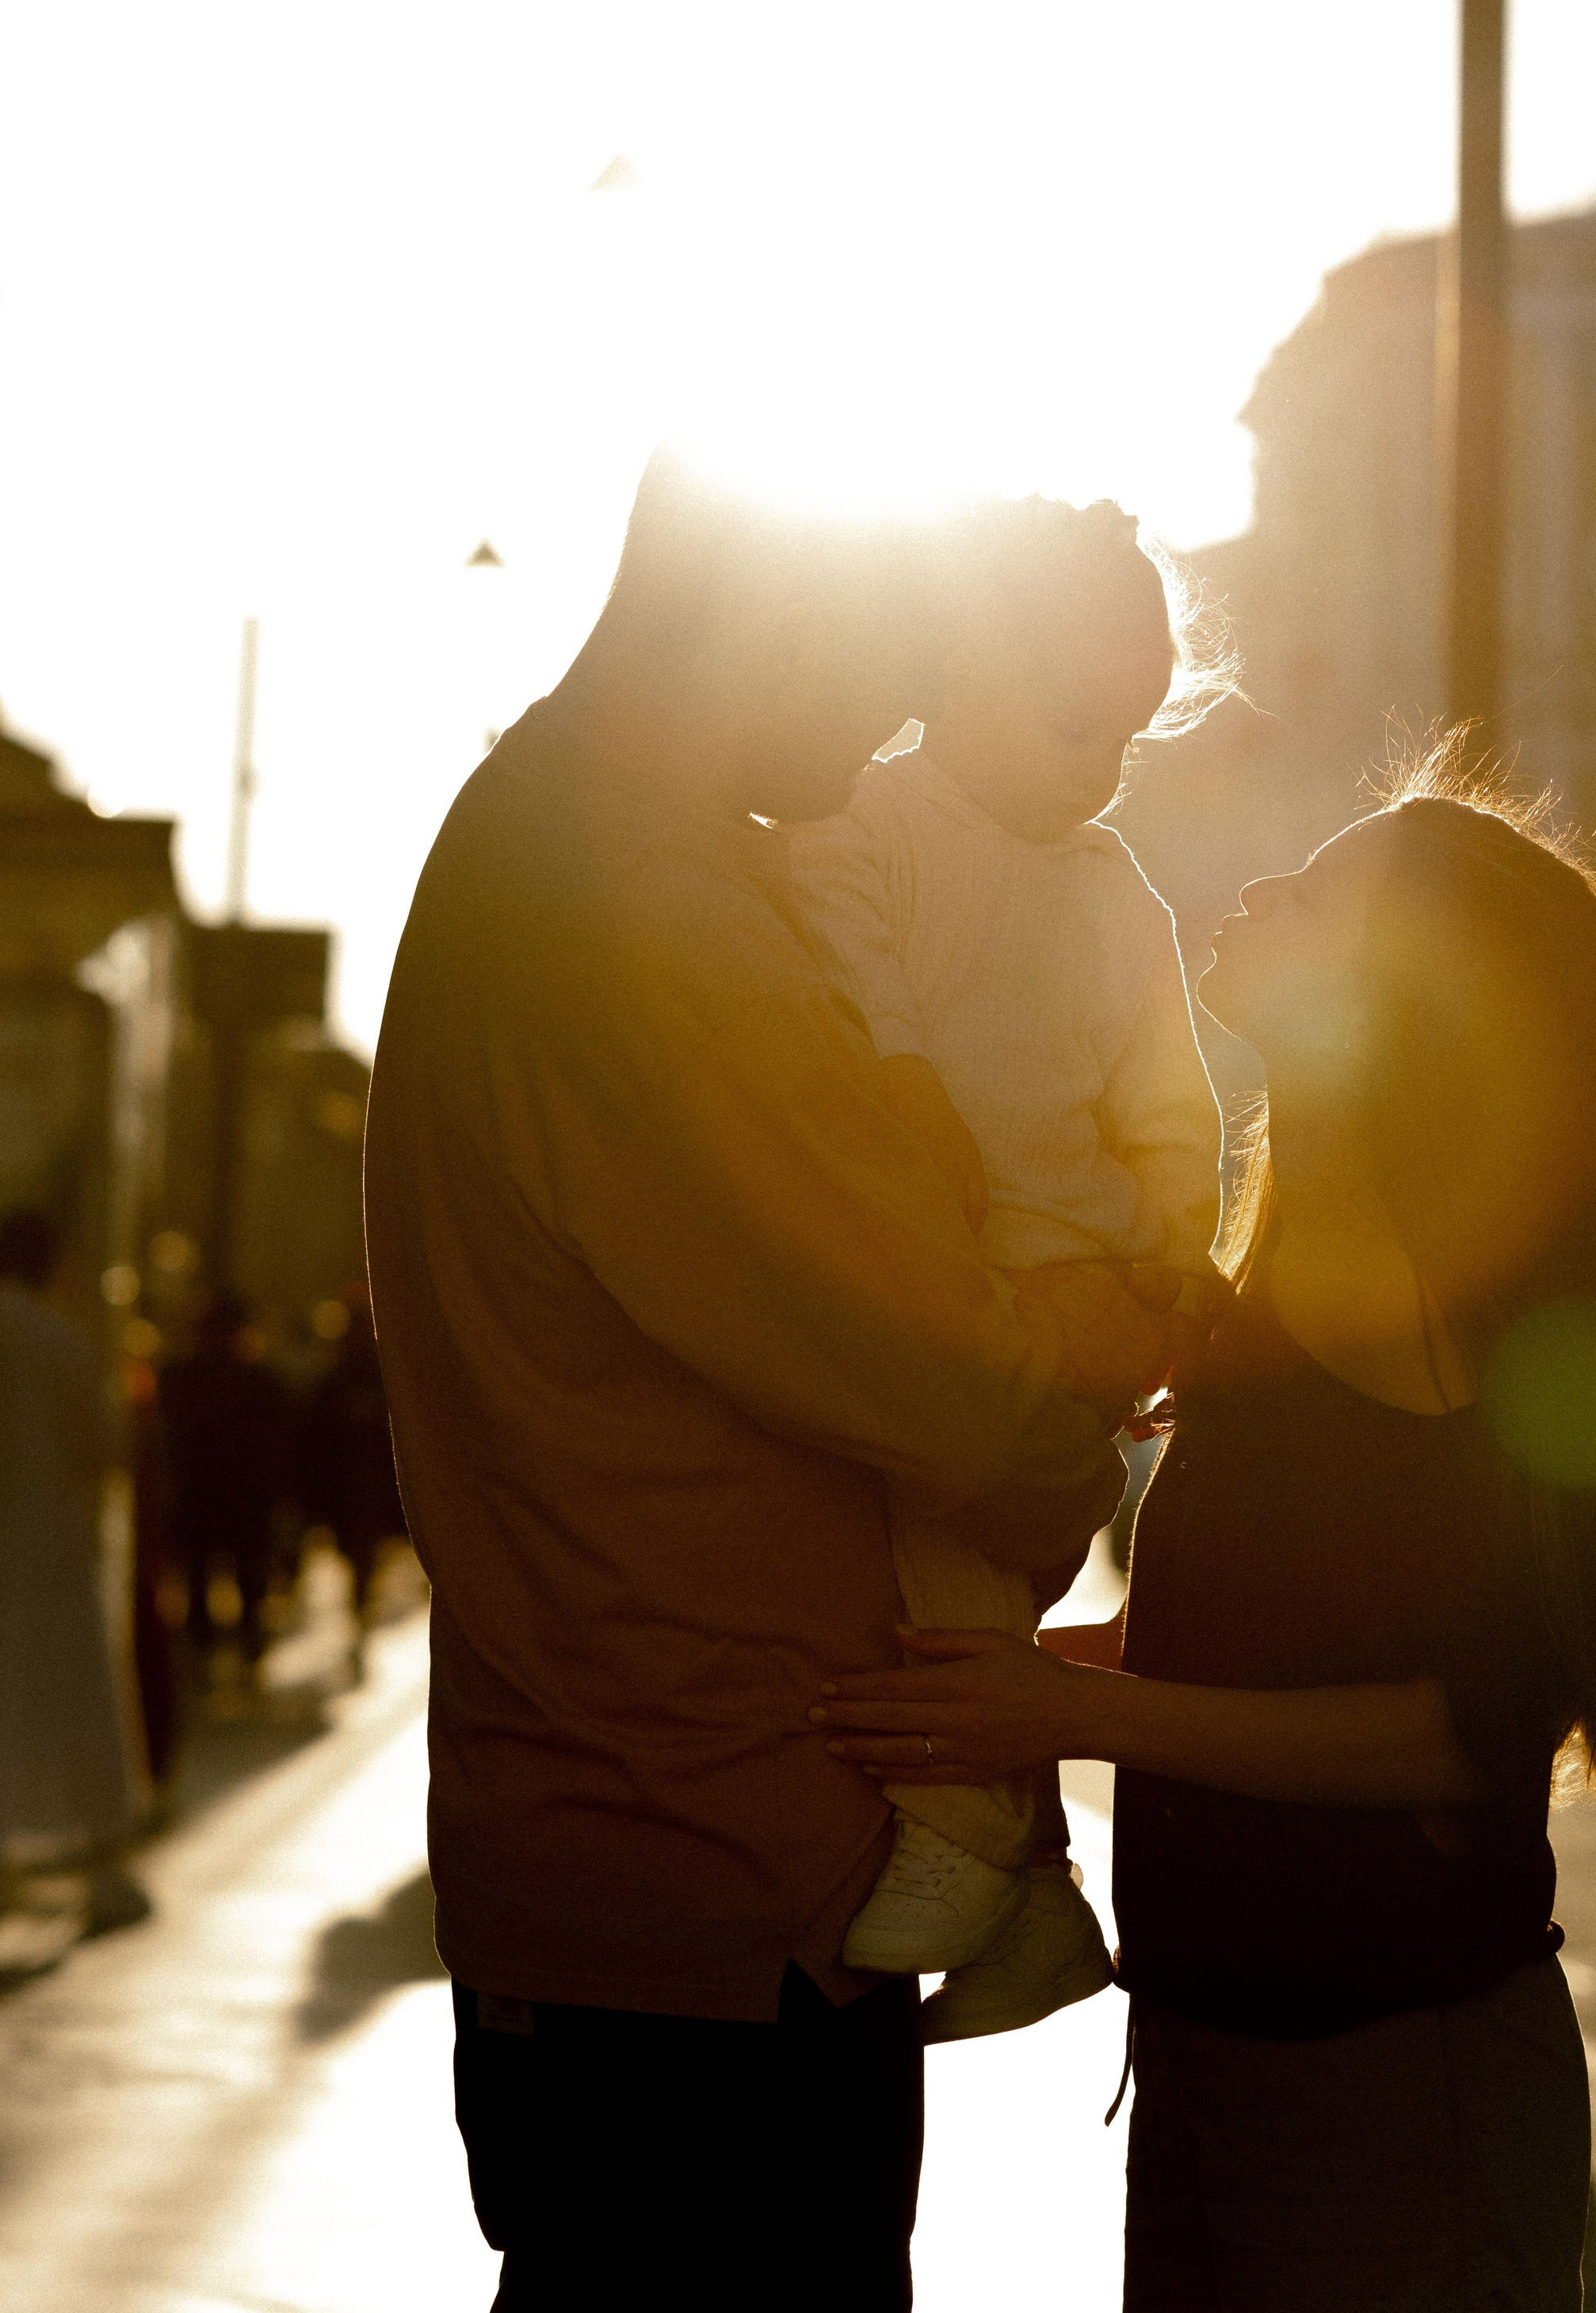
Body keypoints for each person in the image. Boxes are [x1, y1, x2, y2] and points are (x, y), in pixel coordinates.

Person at [363, 452, 1174, 2310]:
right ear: (778, 621)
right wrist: (1091, 1402)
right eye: (898, 662)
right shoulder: (645, 910)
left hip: (642, 1868)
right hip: (707, 1878)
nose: (912, 718)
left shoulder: (566, 846)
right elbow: (935, 1360)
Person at [813, 759, 1596, 2311]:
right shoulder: (1314, 1267)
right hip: (1232, 2064)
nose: (1257, 896)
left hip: (1382, 2101)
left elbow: (1456, 1731)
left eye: (1313, 895)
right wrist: (1016, 1673)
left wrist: (1073, 1707)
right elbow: (1278, 1643)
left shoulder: (1418, 1293)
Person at [785, 495, 1228, 2043]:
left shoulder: (1115, 895)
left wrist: (1169, 1266)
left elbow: (1172, 1110)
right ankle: (1021, 1874)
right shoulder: (860, 829)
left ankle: (971, 1842)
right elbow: (867, 1043)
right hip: (938, 1269)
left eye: (1124, 739)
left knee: (953, 1567)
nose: (1094, 771)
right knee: (925, 1566)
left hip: (1062, 1280)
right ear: (957, 667)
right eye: (1067, 725)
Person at [0, 1209, 149, 1932]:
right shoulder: (59, 1339)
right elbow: (100, 1443)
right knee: (77, 1705)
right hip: (48, 1546)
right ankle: (106, 1864)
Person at [156, 1294, 294, 1677]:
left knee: (210, 1579)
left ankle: (210, 1652)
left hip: (211, 1497)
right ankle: (241, 1648)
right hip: (236, 1499)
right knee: (234, 1579)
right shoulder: (259, 1381)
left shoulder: (183, 1378)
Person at [297, 1285, 405, 1652]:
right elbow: (317, 1438)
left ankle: (362, 1602)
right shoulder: (351, 1379)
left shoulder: (371, 1377)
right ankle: (361, 1603)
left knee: (362, 1551)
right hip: (353, 1486)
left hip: (365, 1485)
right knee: (358, 1551)